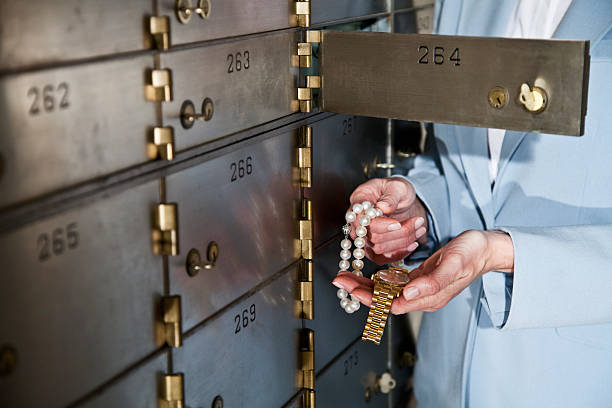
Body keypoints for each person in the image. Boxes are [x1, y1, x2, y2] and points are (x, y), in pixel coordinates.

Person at [333, 1, 612, 407]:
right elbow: (458, 168)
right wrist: (418, 215)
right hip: (442, 382)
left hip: (573, 384)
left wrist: (500, 252)